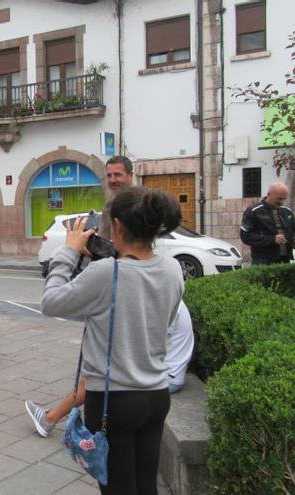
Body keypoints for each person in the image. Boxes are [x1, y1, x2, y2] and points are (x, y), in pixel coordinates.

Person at [41, 186, 184, 495]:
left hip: (113, 400)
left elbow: (51, 302)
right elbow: (163, 321)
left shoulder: (106, 272)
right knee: (146, 485)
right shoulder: (173, 269)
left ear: (117, 226)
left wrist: (67, 251)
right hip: (156, 395)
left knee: (117, 488)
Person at [25, 301, 195, 438]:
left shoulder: (167, 303)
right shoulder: (163, 295)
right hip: (164, 372)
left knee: (94, 378)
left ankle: (49, 419)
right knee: (97, 372)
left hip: (167, 378)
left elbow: (144, 347)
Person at [239, 182, 295, 265]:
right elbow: (245, 236)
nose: (281, 202)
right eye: (278, 199)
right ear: (269, 194)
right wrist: (272, 239)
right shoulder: (254, 211)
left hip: (285, 259)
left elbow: (294, 231)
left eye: (284, 199)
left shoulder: (287, 211)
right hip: (263, 259)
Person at [98, 155, 134, 239]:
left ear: (130, 175)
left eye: (117, 174)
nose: (112, 180)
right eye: (109, 175)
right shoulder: (110, 204)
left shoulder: (139, 204)